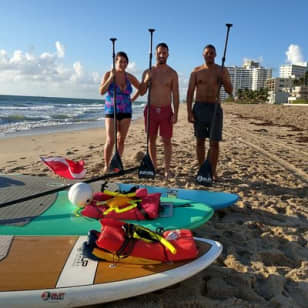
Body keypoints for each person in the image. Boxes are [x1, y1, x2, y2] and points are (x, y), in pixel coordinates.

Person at [186, 44, 233, 181]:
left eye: (212, 53)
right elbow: (189, 93)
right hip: (199, 107)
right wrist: (189, 112)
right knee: (200, 141)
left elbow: (230, 90)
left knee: (214, 142)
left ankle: (212, 171)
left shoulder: (221, 70)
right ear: (203, 54)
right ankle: (202, 169)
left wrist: (223, 79)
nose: (209, 55)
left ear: (216, 55)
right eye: (207, 53)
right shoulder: (196, 71)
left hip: (214, 108)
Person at [139, 42, 179, 178]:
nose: (162, 55)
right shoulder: (148, 71)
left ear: (168, 54)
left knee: (167, 140)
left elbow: (176, 95)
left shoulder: (172, 73)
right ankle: (154, 166)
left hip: (166, 110)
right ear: (155, 54)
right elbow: (142, 92)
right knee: (151, 140)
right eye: (159, 53)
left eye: (164, 53)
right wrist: (146, 80)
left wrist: (176, 113)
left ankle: (167, 169)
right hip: (150, 110)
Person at [99, 51, 140, 173]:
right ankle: (107, 165)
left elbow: (142, 89)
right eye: (120, 61)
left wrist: (133, 98)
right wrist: (111, 77)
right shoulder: (108, 74)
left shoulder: (129, 77)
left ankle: (117, 163)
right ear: (115, 61)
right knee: (111, 140)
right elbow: (101, 91)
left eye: (125, 62)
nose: (123, 64)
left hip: (126, 111)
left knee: (121, 139)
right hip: (111, 110)